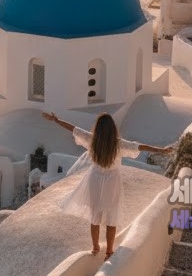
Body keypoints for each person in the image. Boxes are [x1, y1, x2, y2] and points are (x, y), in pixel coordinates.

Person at [42, 111, 175, 260]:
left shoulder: (92, 140)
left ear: (98, 127)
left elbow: (73, 129)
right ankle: (109, 251)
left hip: (94, 179)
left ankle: (95, 247)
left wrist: (56, 120)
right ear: (112, 128)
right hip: (112, 182)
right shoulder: (118, 144)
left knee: (95, 215)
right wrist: (162, 150)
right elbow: (140, 147)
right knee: (112, 215)